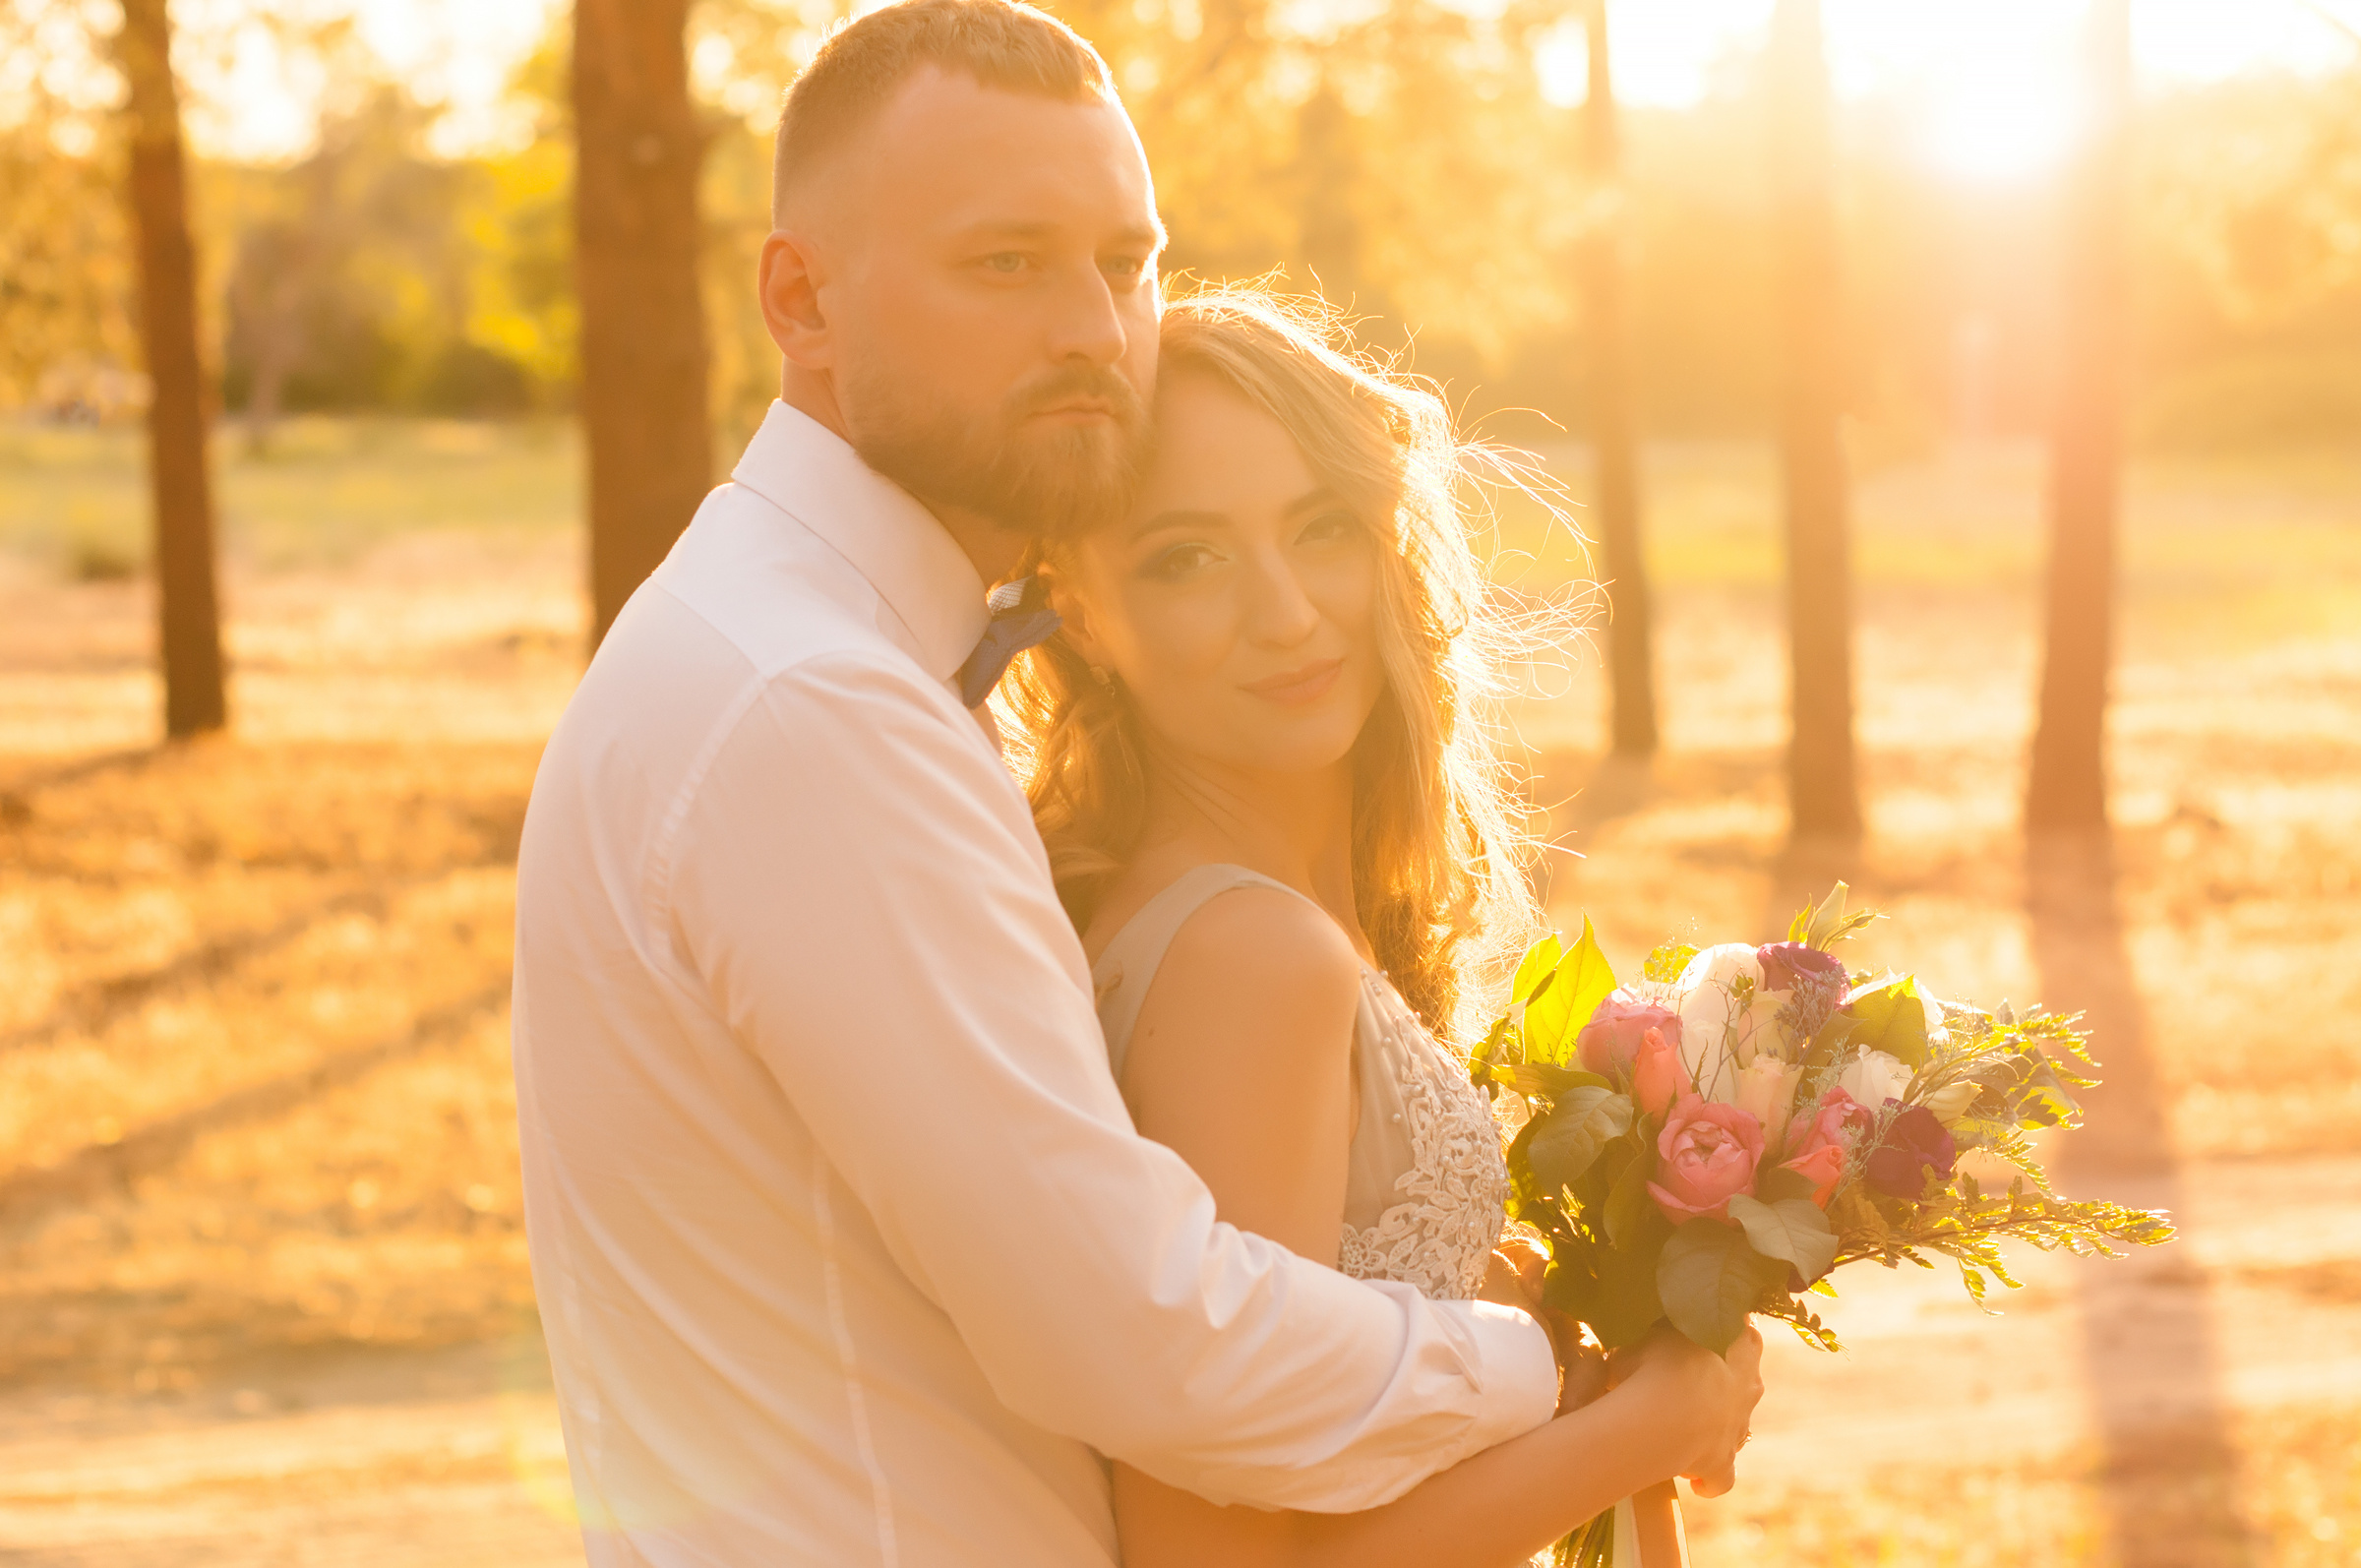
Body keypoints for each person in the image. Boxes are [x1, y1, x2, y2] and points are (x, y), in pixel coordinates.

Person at [510, 3, 1680, 1563]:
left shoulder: (818, 657)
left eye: (1125, 263)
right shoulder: (811, 705)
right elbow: (1138, 1337)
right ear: (803, 299)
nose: (1091, 328)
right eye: (1007, 263)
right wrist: (1561, 1373)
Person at [998, 289, 1762, 1568]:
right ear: (1080, 609)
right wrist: (1650, 1425)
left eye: (1322, 527)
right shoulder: (1250, 964)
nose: (1289, 609)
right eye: (1187, 555)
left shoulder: (1240, 917)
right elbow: (1221, 1560)